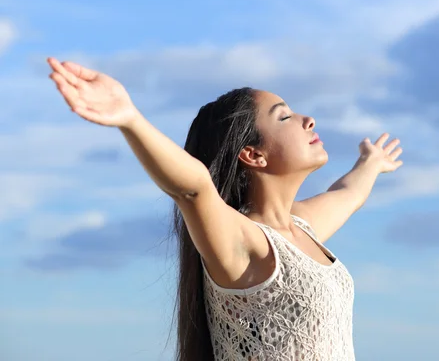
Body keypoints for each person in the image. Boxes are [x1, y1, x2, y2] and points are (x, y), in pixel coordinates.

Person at [47, 56, 403, 361]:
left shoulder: (301, 229)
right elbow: (193, 189)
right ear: (253, 154)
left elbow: (348, 193)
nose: (307, 119)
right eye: (284, 117)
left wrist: (370, 164)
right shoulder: (246, 243)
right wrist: (130, 119)